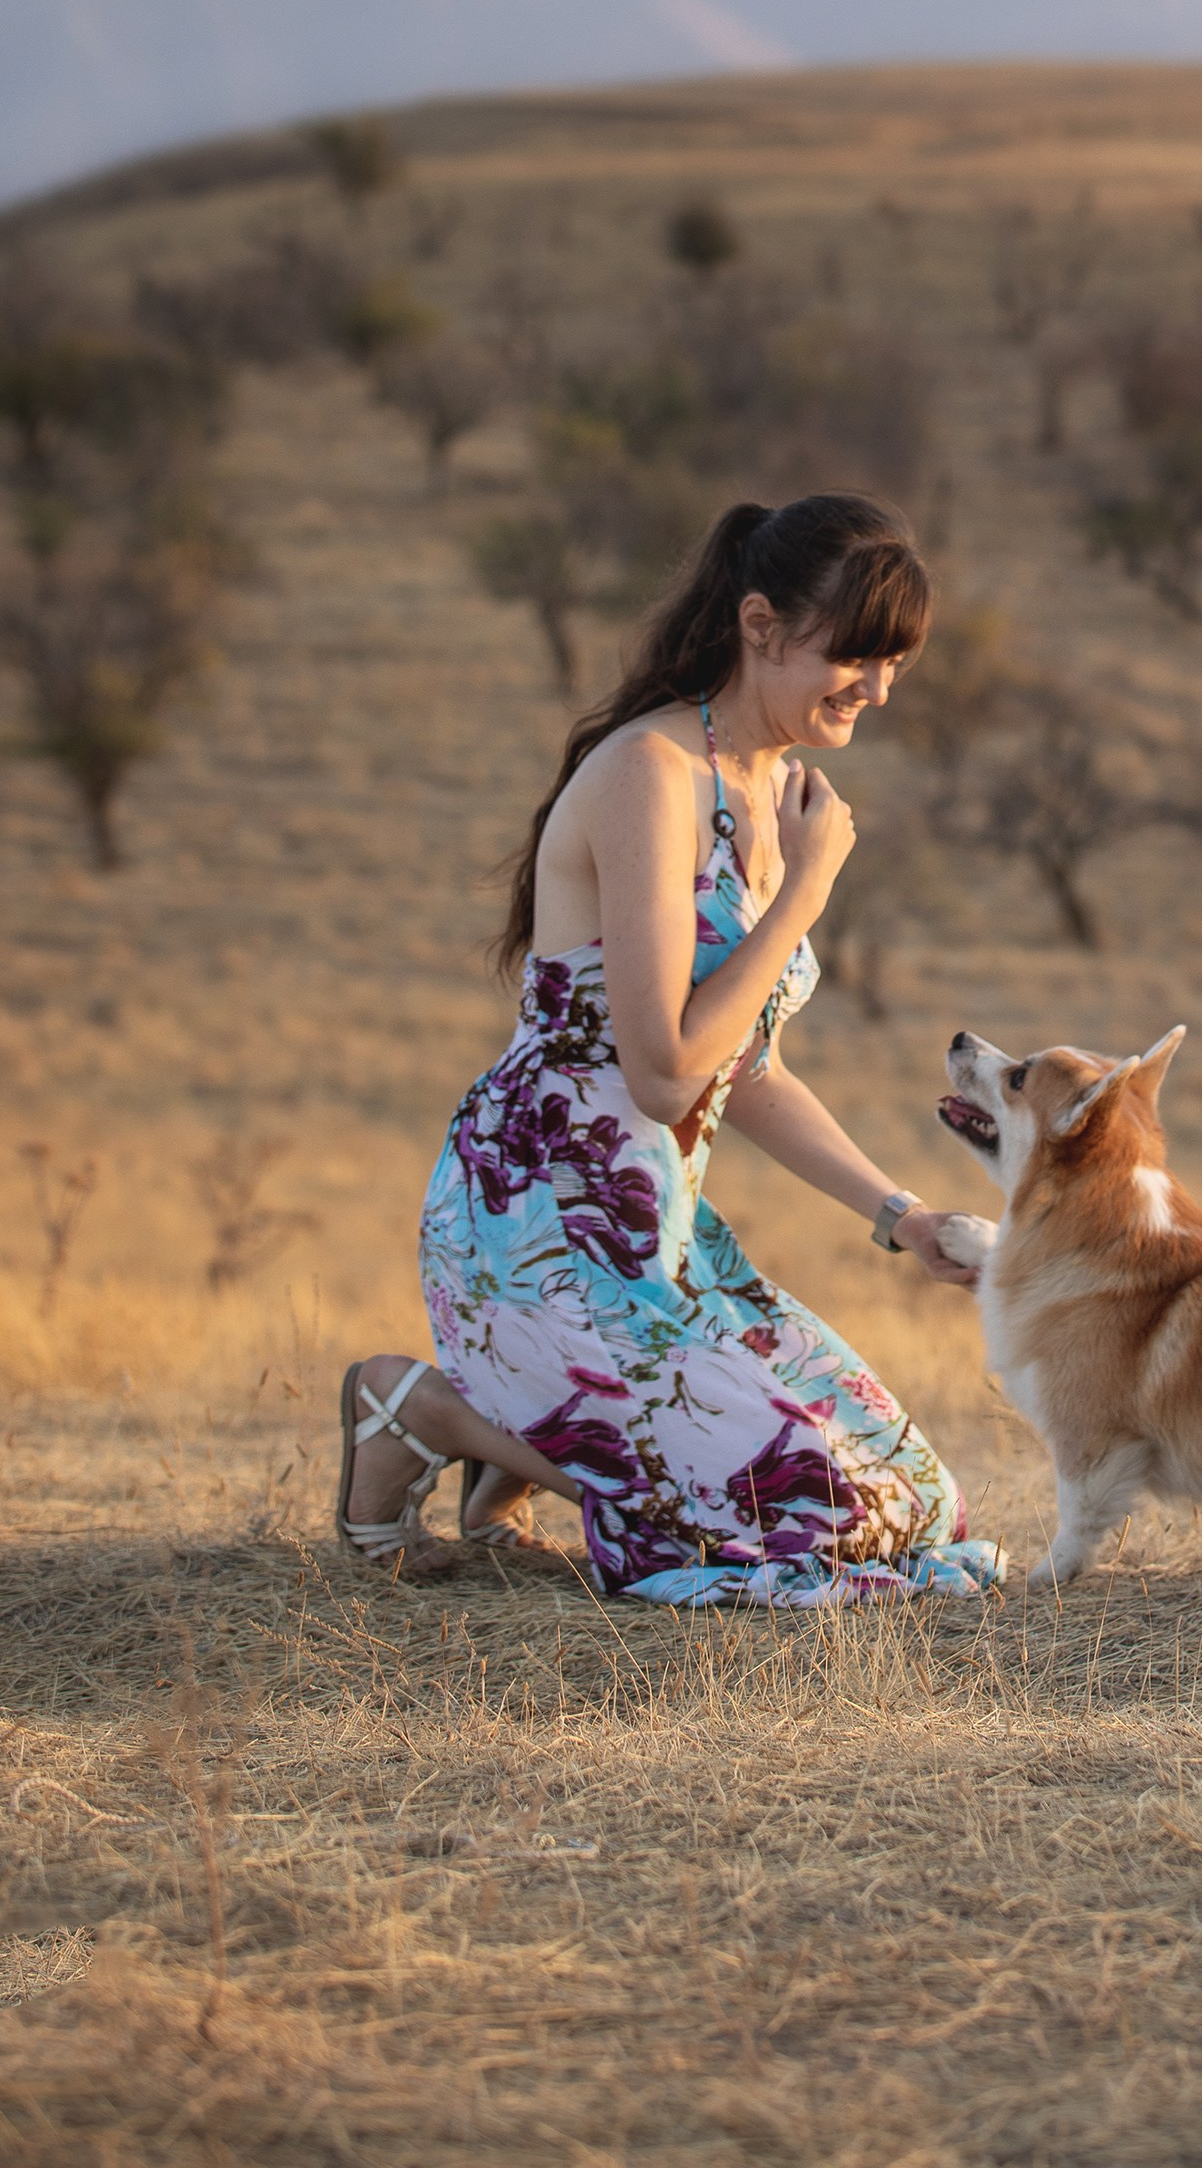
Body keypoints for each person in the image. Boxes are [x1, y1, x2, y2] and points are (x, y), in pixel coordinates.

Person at [334, 492, 1004, 1603]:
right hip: (542, 1224)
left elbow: (747, 1071)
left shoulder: (775, 797)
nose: (880, 688)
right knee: (809, 1518)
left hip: (662, 1237)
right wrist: (807, 894)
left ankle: (525, 1453)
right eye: (858, 654)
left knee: (916, 1506)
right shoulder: (651, 776)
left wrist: (905, 1216)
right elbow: (660, 1072)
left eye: (898, 664)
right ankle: (420, 1410)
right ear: (760, 624)